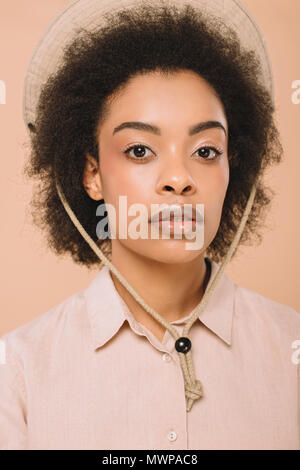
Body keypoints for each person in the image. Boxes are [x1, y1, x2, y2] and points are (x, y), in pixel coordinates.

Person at [0, 0, 299, 450]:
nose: (179, 180)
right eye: (140, 150)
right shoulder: (17, 370)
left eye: (205, 151)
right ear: (93, 175)